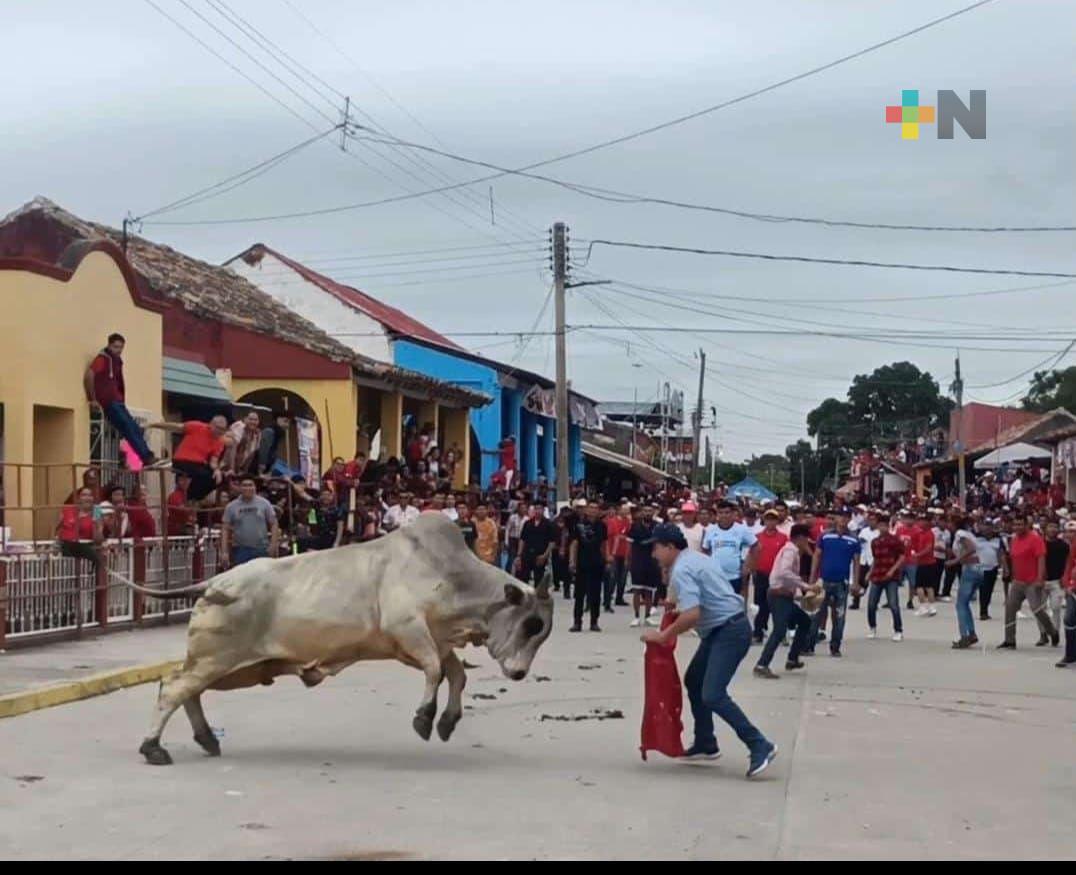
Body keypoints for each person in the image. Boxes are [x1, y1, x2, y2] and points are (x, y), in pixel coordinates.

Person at [641, 523, 778, 779]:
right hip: (722, 628)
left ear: (670, 547)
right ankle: (706, 741)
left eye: (656, 548)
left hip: (729, 631)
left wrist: (663, 636)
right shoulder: (695, 558)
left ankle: (759, 744)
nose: (653, 554)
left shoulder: (682, 569)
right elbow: (706, 598)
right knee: (694, 681)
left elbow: (693, 615)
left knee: (713, 694)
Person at [83, 333, 163, 469]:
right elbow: (90, 375)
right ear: (109, 345)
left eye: (121, 347)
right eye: (115, 347)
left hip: (118, 401)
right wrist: (93, 399)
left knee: (135, 428)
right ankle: (146, 457)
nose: (118, 350)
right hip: (110, 402)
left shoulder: (116, 360)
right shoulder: (103, 359)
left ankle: (135, 458)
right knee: (128, 427)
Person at [754, 523, 816, 678]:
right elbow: (785, 572)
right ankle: (762, 664)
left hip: (784, 595)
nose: (807, 542)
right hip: (778, 595)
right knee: (779, 630)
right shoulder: (790, 550)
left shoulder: (791, 550)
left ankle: (792, 659)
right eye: (806, 539)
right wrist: (805, 586)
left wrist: (797, 592)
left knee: (805, 622)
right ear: (800, 538)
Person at [998, 514, 1058, 649]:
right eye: (1015, 524)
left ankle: (1052, 632)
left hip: (1032, 582)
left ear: (1026, 525)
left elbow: (1041, 559)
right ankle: (1010, 640)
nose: (1017, 527)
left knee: (1037, 609)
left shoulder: (1035, 539)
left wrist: (1040, 579)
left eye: (1020, 524)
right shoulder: (1014, 540)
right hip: (1018, 581)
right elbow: (1013, 558)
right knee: (1010, 608)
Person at [807, 508, 860, 658]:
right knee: (816, 613)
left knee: (839, 616)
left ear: (849, 520)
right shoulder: (825, 536)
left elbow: (856, 562)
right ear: (835, 518)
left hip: (841, 583)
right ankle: (809, 645)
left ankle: (835, 647)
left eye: (846, 517)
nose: (843, 519)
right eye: (840, 516)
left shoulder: (853, 539)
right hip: (823, 580)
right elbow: (817, 556)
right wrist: (812, 578)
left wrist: (855, 582)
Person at [148, 415, 228, 502]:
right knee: (201, 474)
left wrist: (217, 470)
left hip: (198, 464)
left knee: (220, 478)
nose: (220, 431)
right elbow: (175, 426)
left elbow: (213, 462)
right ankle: (187, 497)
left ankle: (193, 498)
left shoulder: (220, 441)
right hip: (182, 460)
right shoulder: (198, 427)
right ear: (211, 425)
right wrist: (153, 425)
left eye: (223, 429)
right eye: (218, 428)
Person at [861, 515, 905, 641]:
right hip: (877, 574)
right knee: (871, 604)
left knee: (893, 604)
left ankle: (898, 630)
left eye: (884, 526)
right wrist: (869, 572)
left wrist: (893, 570)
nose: (882, 528)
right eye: (880, 526)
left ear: (888, 526)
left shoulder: (895, 541)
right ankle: (872, 627)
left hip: (891, 576)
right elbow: (876, 559)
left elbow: (902, 557)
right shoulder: (875, 542)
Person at [702, 500, 758, 597]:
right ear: (717, 514)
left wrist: (747, 565)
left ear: (732, 514)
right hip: (716, 577)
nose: (724, 515)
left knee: (734, 606)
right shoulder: (710, 530)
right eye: (721, 513)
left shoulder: (742, 529)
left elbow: (756, 546)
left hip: (735, 576)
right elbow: (705, 550)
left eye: (727, 512)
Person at [221, 476, 280, 566]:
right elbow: (225, 529)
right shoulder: (231, 507)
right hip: (241, 550)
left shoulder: (265, 503)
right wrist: (224, 552)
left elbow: (274, 524)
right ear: (240, 488)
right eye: (244, 485)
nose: (248, 488)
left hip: (262, 549)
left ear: (255, 487)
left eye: (250, 485)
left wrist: (273, 545)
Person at [569, 501, 609, 633]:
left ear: (599, 511)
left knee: (595, 594)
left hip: (597, 563)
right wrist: (572, 561)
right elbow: (574, 543)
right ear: (586, 510)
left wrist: (607, 559)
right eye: (590, 508)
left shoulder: (602, 526)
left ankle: (594, 621)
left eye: (595, 508)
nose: (592, 510)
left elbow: (604, 544)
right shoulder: (578, 525)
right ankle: (577, 622)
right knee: (579, 594)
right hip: (582, 562)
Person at [752, 509, 788, 643]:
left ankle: (781, 633)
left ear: (777, 521)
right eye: (768, 519)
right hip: (761, 575)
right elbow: (753, 555)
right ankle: (758, 632)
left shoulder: (783, 538)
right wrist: (753, 570)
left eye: (773, 519)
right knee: (761, 606)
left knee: (779, 606)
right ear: (764, 520)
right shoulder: (757, 537)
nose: (770, 522)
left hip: (777, 576)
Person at [948, 516, 982, 649]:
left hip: (970, 568)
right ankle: (971, 633)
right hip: (979, 568)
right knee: (965, 603)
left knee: (960, 604)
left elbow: (971, 548)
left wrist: (955, 561)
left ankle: (964, 635)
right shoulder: (970, 534)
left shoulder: (960, 534)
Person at [628, 505, 661, 627]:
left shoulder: (657, 526)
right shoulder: (635, 526)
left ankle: (647, 617)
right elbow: (630, 544)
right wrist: (629, 560)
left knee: (649, 591)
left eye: (650, 511)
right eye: (646, 510)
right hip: (638, 561)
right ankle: (636, 616)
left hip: (652, 562)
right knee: (637, 590)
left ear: (653, 512)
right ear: (642, 512)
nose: (648, 513)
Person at [56, 486, 102, 565]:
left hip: (85, 551)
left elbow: (98, 540)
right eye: (84, 495)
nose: (87, 498)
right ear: (78, 498)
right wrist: (55, 544)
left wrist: (95, 520)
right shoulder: (67, 510)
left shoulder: (96, 513)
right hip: (66, 550)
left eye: (90, 495)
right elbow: (57, 530)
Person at [515, 502, 556, 586]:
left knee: (539, 580)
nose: (538, 511)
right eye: (536, 509)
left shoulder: (549, 524)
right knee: (523, 578)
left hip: (540, 555)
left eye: (540, 509)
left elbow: (552, 542)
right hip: (527, 554)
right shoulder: (528, 523)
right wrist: (519, 555)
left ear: (543, 510)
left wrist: (545, 555)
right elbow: (522, 540)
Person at [975, 518, 1005, 621]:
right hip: (980, 569)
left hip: (993, 568)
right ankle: (983, 612)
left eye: (989, 526)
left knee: (989, 590)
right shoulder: (976, 538)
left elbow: (1001, 554)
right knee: (983, 590)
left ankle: (985, 609)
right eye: (985, 526)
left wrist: (1004, 567)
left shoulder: (998, 540)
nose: (987, 529)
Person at [1043, 520, 1069, 635]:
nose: (1053, 529)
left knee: (1056, 608)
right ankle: (1043, 634)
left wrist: (1065, 578)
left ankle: (1055, 632)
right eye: (1050, 526)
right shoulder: (1040, 543)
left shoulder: (1064, 545)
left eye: (1055, 527)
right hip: (1041, 581)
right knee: (1040, 610)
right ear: (1045, 528)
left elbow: (1068, 563)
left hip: (1057, 581)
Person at [911, 514, 938, 617]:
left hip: (926, 563)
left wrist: (917, 555)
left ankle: (925, 607)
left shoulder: (929, 534)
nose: (920, 523)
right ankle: (930, 607)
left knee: (921, 586)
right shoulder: (920, 533)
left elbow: (928, 548)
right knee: (927, 586)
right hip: (922, 562)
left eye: (922, 521)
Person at [606, 503, 632, 608]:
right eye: (624, 510)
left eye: (628, 510)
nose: (626, 512)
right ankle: (608, 597)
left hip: (624, 552)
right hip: (615, 552)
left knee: (623, 577)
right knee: (613, 576)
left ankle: (619, 598)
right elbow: (608, 538)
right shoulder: (612, 522)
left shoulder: (628, 523)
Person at [1057, 522, 1076, 668]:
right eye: (1068, 531)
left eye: (1073, 532)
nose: (1070, 534)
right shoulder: (1069, 548)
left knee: (1070, 619)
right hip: (1071, 590)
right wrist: (1066, 584)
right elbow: (1068, 567)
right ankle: (1070, 655)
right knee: (1069, 619)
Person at [852, 511, 879, 611]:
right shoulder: (864, 531)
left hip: (874, 559)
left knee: (875, 583)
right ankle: (856, 601)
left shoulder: (879, 532)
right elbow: (859, 542)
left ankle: (874, 602)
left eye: (873, 520)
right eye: (870, 520)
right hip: (864, 559)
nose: (871, 522)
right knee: (859, 580)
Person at [222, 411, 262, 477]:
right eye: (250, 419)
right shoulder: (239, 426)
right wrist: (231, 469)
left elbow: (251, 455)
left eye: (255, 420)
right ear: (245, 419)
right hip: (226, 466)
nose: (253, 422)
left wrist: (244, 472)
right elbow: (233, 449)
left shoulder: (257, 434)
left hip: (238, 469)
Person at [551, 506, 575, 598]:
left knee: (567, 571)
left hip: (568, 549)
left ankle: (567, 589)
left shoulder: (570, 524)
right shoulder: (554, 522)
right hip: (556, 548)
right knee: (556, 568)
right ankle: (556, 584)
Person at [167, 471, 195, 536]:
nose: (185, 482)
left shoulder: (185, 495)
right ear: (177, 481)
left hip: (184, 530)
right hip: (177, 533)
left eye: (187, 479)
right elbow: (182, 509)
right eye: (182, 479)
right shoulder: (174, 495)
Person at [505, 501, 527, 571]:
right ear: (518, 509)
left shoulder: (527, 519)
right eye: (521, 508)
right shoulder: (512, 517)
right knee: (511, 558)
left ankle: (518, 574)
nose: (523, 509)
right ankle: (508, 572)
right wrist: (506, 541)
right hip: (512, 539)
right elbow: (507, 529)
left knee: (521, 558)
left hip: (522, 540)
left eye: (524, 508)